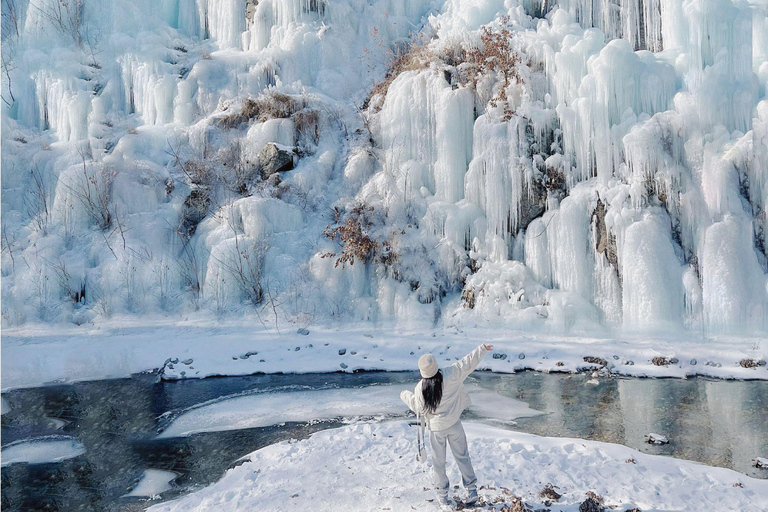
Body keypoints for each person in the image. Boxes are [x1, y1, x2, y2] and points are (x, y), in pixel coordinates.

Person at [400, 343, 493, 509]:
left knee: (439, 463)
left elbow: (419, 408)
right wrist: (482, 348)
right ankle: (471, 490)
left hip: (436, 430)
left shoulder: (420, 388)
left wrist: (405, 395)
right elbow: (468, 362)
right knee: (463, 456)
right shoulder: (451, 374)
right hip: (454, 424)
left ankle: (443, 495)